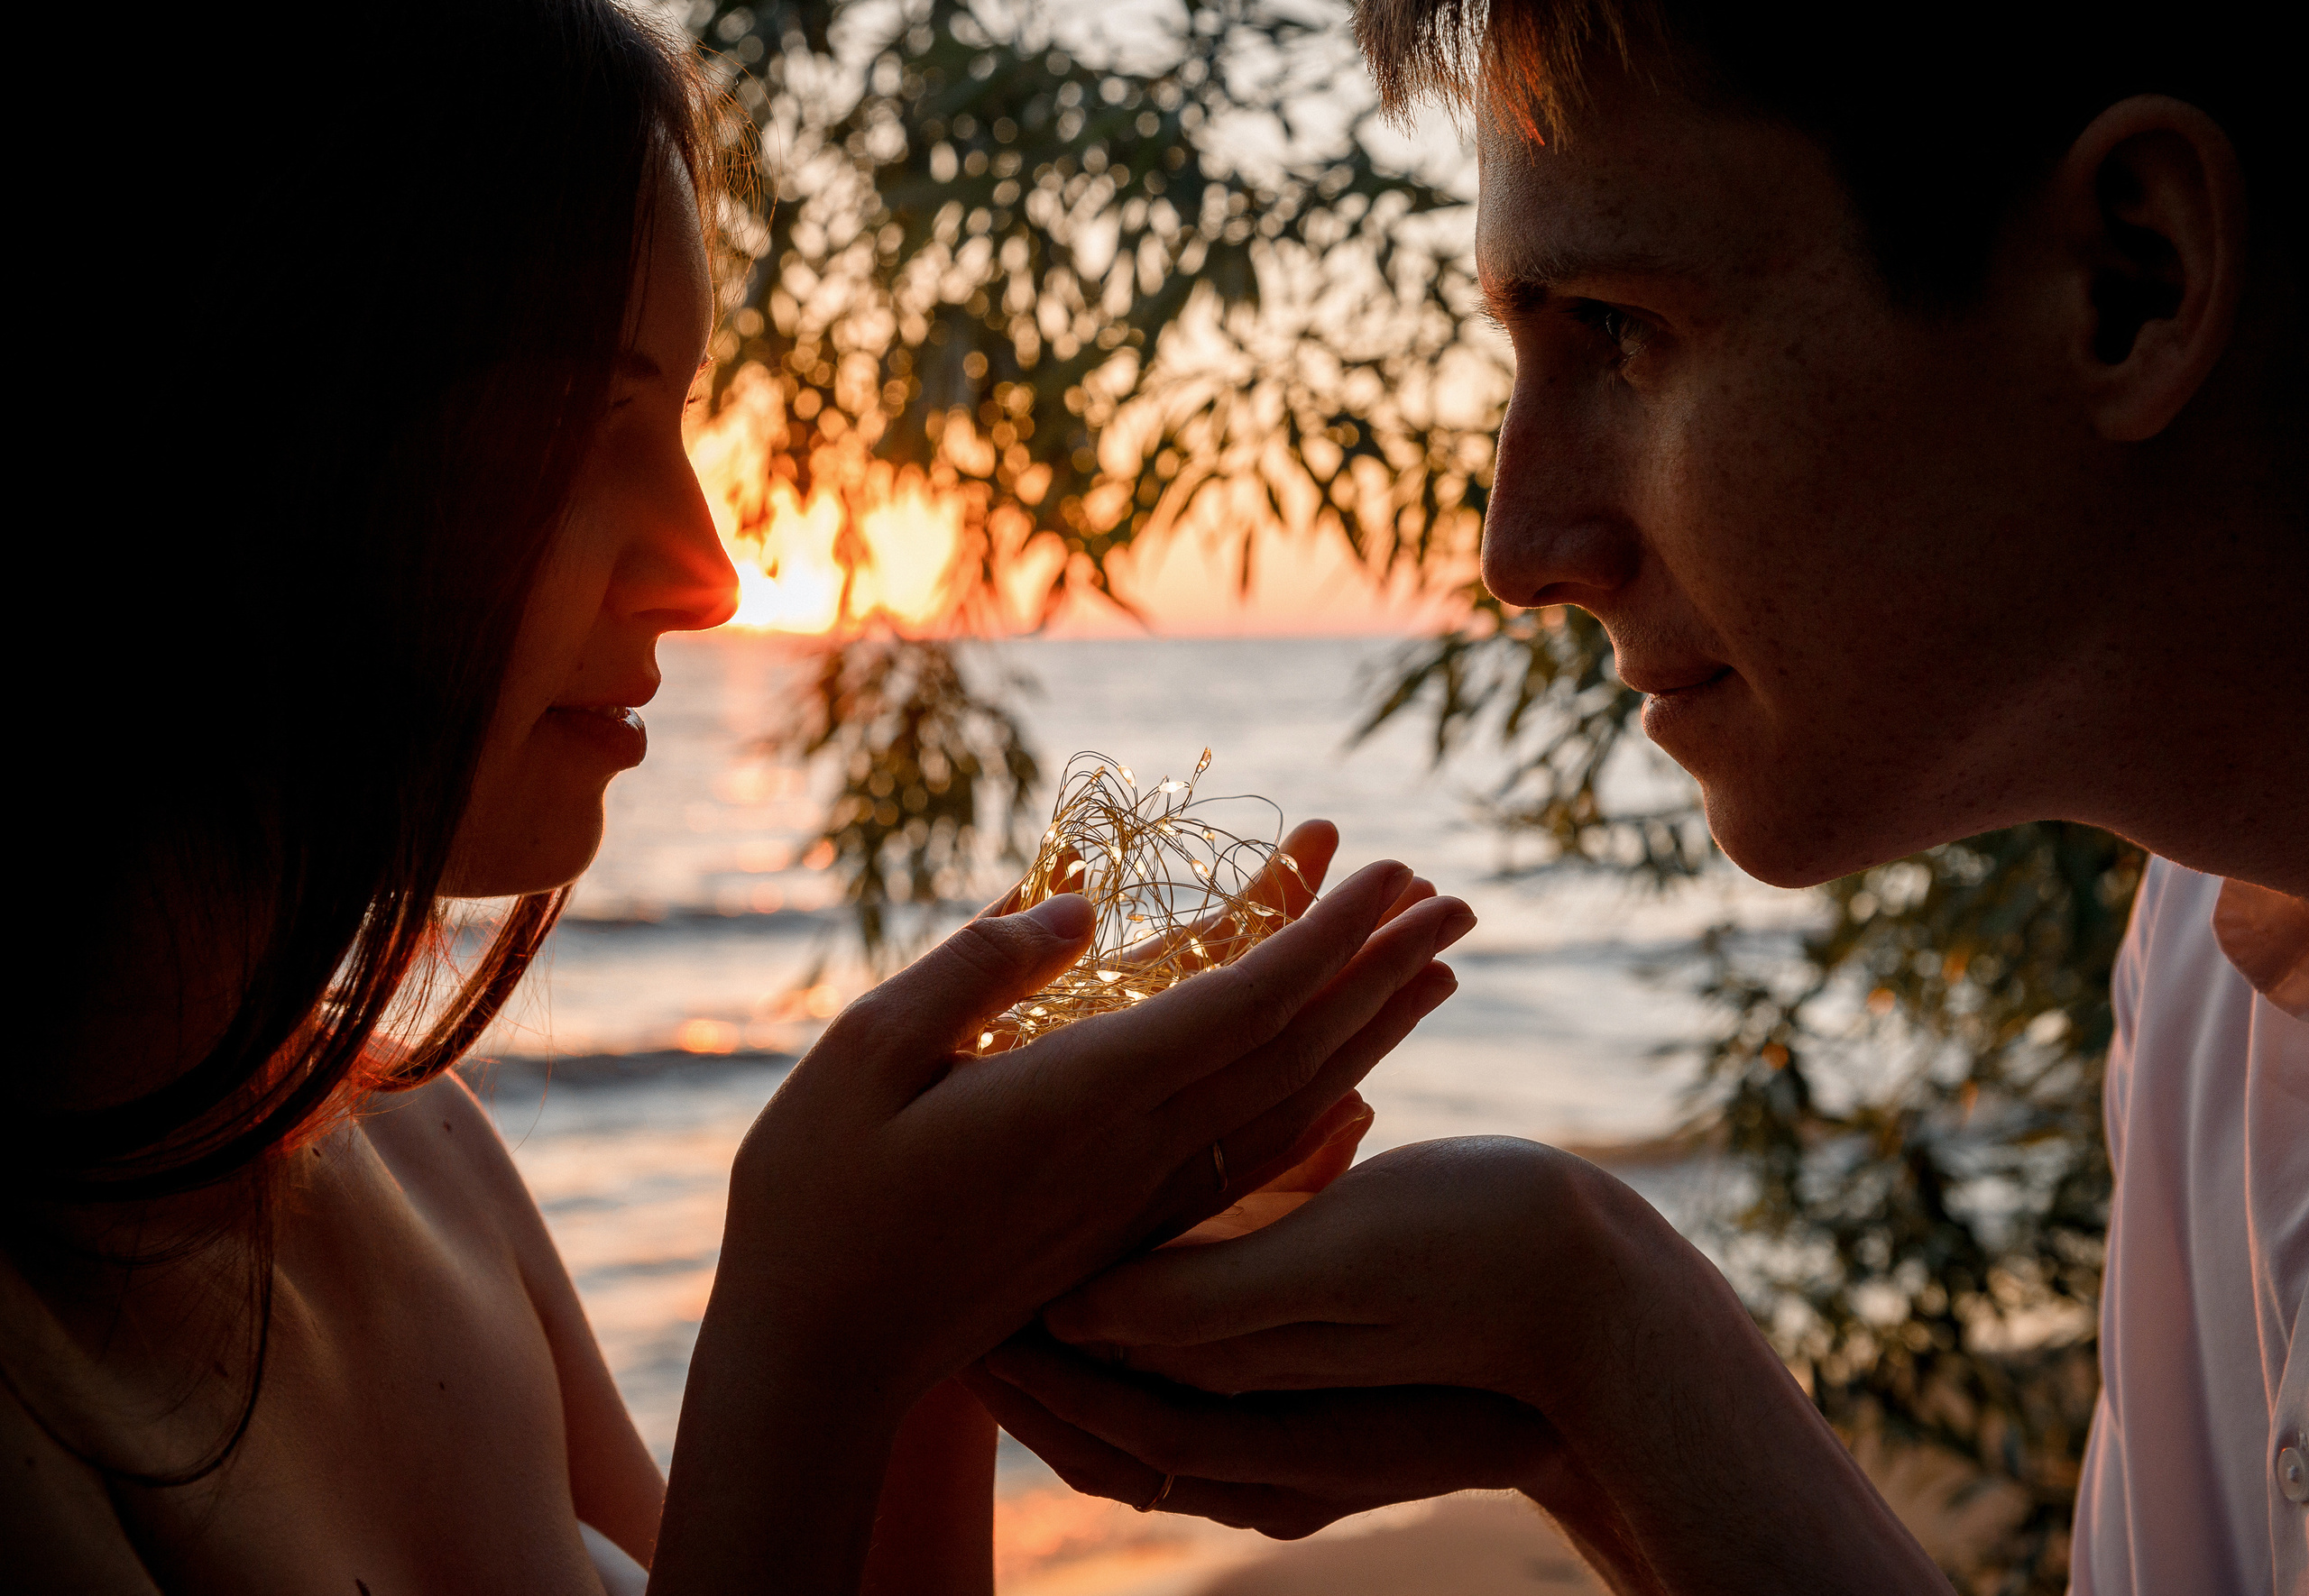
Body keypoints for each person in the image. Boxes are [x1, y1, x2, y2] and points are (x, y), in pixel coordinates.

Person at [4, 4, 1474, 1590]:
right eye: (583, 420)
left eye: (681, 420)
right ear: (237, 426)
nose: (708, 572)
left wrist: (939, 1315)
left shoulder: (420, 1156)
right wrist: (813, 1335)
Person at [968, 2, 2307, 1591]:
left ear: (2126, 284)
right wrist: (1584, 1362)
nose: (1519, 545)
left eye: (1616, 328)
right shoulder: (2207, 964)